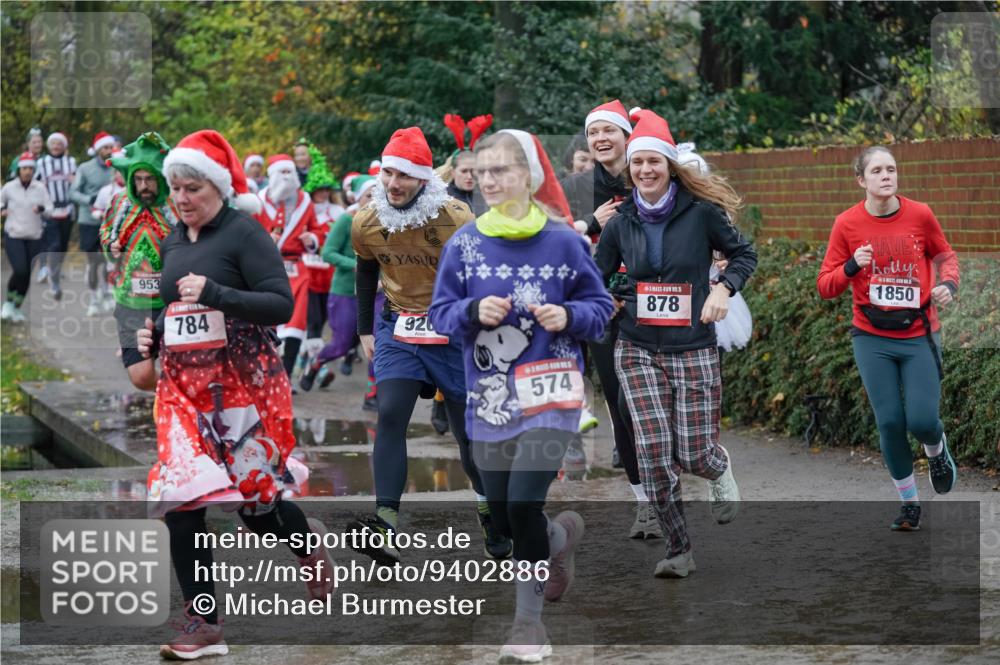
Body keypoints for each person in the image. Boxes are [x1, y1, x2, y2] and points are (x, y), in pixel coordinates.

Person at [135, 129, 333, 660]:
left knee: (256, 503)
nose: (181, 198)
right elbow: (166, 306)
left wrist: (219, 294)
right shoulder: (173, 239)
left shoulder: (245, 233)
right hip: (181, 393)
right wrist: (150, 333)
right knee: (183, 501)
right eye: (175, 188)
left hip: (239, 388)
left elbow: (276, 305)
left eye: (192, 188)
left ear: (217, 187)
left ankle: (307, 547)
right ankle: (204, 623)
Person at [430, 128, 613, 662]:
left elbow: (600, 310)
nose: (489, 180)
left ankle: (528, 627)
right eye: (482, 171)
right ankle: (560, 541)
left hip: (551, 394)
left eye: (501, 170)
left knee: (523, 502)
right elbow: (440, 314)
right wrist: (469, 311)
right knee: (509, 518)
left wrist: (569, 315)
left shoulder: (565, 241)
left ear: (529, 177)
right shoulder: (463, 244)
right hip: (490, 398)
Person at [594, 109, 756, 578]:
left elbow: (744, 253)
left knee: (692, 453)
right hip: (637, 347)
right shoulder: (621, 222)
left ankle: (718, 464)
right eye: (638, 163)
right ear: (630, 169)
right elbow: (596, 275)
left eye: (654, 163)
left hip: (692, 345)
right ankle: (678, 549)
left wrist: (724, 289)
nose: (646, 170)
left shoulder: (701, 213)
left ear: (670, 166)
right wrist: (605, 299)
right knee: (653, 452)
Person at [348, 126, 511, 564]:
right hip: (399, 330)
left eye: (404, 175)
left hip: (453, 332)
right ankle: (384, 525)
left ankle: (489, 511)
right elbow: (365, 270)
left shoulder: (456, 217)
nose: (393, 184)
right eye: (387, 174)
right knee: (391, 414)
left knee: (469, 439)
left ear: (423, 177)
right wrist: (365, 329)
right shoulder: (366, 219)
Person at [817, 145, 959, 531]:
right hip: (871, 338)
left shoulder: (920, 214)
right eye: (877, 170)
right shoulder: (846, 224)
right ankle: (909, 503)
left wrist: (948, 284)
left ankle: (937, 449)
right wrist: (850, 266)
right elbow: (825, 285)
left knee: (923, 419)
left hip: (919, 335)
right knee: (891, 422)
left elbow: (946, 256)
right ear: (861, 180)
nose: (886, 176)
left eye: (891, 169)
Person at [561, 100, 656, 534]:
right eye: (593, 132)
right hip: (602, 307)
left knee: (655, 406)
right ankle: (645, 502)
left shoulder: (652, 174)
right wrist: (588, 222)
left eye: (609, 131)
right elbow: (555, 241)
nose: (600, 139)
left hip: (653, 304)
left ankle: (666, 481)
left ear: (625, 135)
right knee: (620, 405)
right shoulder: (577, 186)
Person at [99, 132, 178, 391]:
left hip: (171, 302)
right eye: (139, 179)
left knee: (175, 367)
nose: (144, 185)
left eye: (150, 179)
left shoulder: (176, 205)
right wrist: (110, 247)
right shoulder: (121, 203)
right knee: (141, 377)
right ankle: (174, 397)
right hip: (130, 301)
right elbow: (105, 233)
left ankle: (178, 411)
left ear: (160, 178)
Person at [299, 174, 378, 392]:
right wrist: (356, 264)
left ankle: (373, 393)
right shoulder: (346, 220)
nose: (373, 200)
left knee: (378, 342)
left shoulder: (385, 220)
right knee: (341, 344)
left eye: (377, 195)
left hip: (376, 292)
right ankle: (316, 364)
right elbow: (327, 253)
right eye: (368, 195)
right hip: (345, 291)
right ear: (359, 197)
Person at [254, 153, 326, 379]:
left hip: (296, 268)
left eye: (289, 172)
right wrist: (264, 240)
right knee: (267, 320)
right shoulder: (258, 200)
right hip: (265, 267)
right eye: (281, 172)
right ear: (272, 175)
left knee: (295, 324)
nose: (286, 177)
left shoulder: (305, 201)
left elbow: (318, 230)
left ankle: (285, 376)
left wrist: (311, 239)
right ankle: (267, 371)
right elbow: (247, 234)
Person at [299, 145, 343, 381]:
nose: (324, 193)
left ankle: (304, 361)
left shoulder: (338, 211)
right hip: (307, 273)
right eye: (319, 189)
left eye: (327, 189)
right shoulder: (304, 210)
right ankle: (318, 369)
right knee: (313, 322)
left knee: (323, 323)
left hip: (330, 276)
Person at [1, 152, 52, 322]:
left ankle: (16, 308)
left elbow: (50, 210)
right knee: (20, 270)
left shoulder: (40, 188)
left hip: (35, 236)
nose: (27, 171)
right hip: (14, 234)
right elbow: (0, 203)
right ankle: (8, 304)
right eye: (24, 168)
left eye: (30, 168)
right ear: (18, 170)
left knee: (27, 274)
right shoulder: (9, 187)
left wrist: (42, 209)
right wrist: (3, 210)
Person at [69, 131, 117, 316]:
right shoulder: (85, 168)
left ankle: (105, 294)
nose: (108, 150)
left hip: (110, 221)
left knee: (107, 260)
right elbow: (73, 192)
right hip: (88, 221)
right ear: (98, 150)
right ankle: (93, 299)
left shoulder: (116, 167)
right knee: (93, 262)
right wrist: (90, 199)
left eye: (110, 147)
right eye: (105, 147)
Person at [34, 131, 77, 298]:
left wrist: (75, 180)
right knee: (54, 245)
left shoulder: (71, 162)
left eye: (60, 143)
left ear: (64, 146)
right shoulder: (42, 162)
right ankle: (54, 281)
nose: (56, 146)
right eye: (53, 143)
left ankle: (56, 273)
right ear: (49, 145)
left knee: (63, 246)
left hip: (67, 209)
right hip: (50, 209)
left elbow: (78, 182)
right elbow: (35, 183)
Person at [439, 113, 492, 216]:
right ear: (453, 172)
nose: (469, 176)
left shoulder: (488, 196)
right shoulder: (442, 199)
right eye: (464, 171)